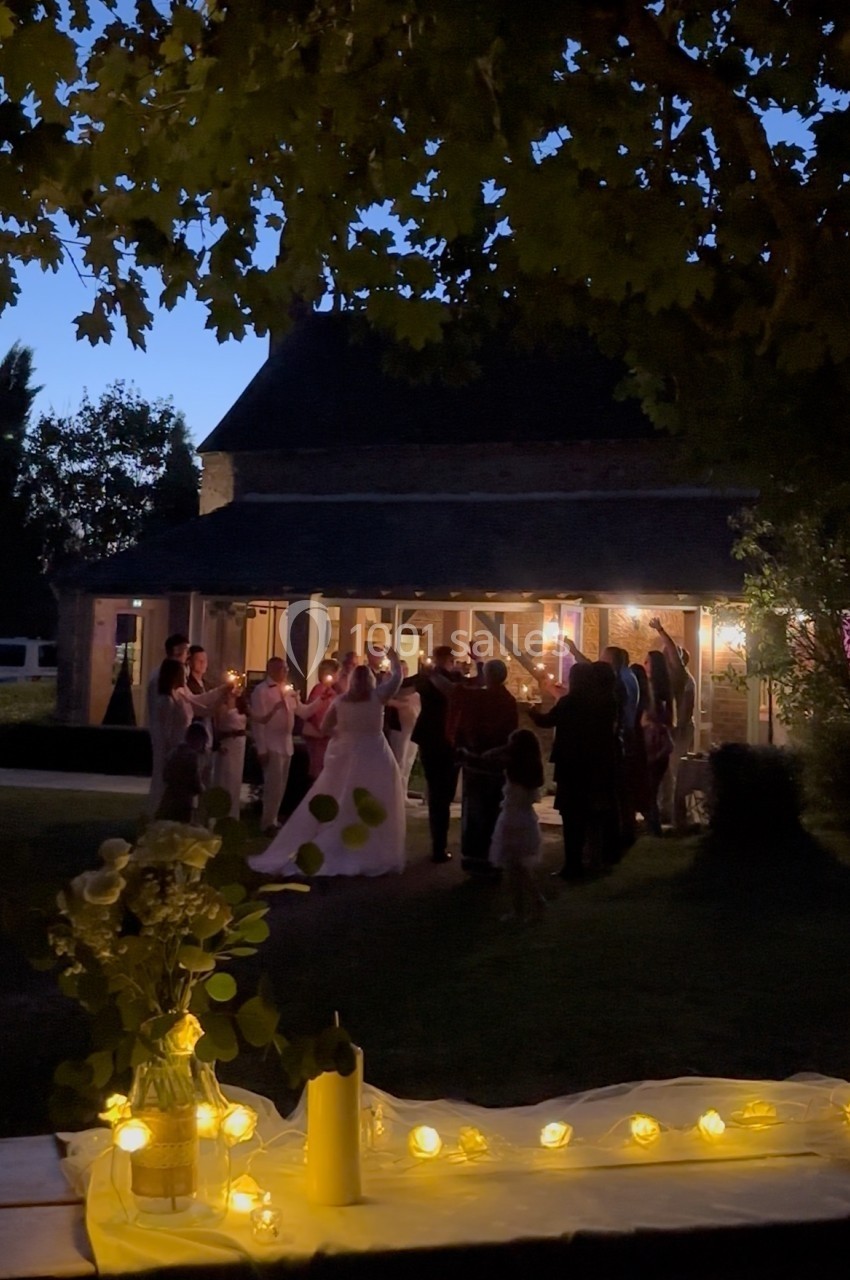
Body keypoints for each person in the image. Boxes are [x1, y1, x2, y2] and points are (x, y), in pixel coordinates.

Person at [249, 648, 406, 877]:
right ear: (371, 680)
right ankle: (373, 849)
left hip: (347, 754)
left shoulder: (341, 701)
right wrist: (392, 658)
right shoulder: (377, 697)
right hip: (375, 754)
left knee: (343, 797)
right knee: (377, 800)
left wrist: (344, 732)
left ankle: (337, 840)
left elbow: (324, 728)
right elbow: (397, 678)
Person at [530, 661, 619, 879]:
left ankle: (573, 863)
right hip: (596, 765)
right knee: (593, 814)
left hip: (572, 766)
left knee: (572, 817)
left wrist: (532, 711)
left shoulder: (570, 703)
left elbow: (547, 721)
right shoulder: (603, 703)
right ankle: (594, 860)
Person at [437, 659, 518, 877]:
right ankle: (493, 859)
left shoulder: (480, 697)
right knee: (493, 811)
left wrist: (434, 674)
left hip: (478, 763)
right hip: (496, 763)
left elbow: (456, 693)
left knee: (477, 812)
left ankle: (479, 860)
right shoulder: (509, 700)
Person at [250, 657, 323, 835]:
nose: (286, 672)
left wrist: (322, 699)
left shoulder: (287, 691)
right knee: (272, 785)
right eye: (283, 669)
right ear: (272, 669)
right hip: (271, 743)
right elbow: (257, 722)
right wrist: (261, 748)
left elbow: (303, 711)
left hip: (286, 744)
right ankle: (266, 822)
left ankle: (273, 819)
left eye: (286, 669)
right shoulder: (261, 691)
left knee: (281, 786)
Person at [149, 658, 228, 814]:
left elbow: (203, 708)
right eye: (182, 674)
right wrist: (173, 753)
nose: (186, 677)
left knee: (187, 792)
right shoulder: (166, 700)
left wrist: (222, 692)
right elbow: (166, 732)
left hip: (186, 750)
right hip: (176, 751)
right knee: (171, 788)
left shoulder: (182, 692)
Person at [410, 646, 465, 863]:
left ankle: (438, 844)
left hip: (431, 738)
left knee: (437, 792)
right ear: (449, 659)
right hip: (445, 739)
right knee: (444, 792)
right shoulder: (447, 679)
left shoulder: (428, 678)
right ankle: (438, 846)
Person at [486, 729, 546, 922]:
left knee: (513, 870)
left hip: (512, 821)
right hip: (526, 821)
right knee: (519, 868)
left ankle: (520, 909)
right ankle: (534, 903)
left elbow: (489, 756)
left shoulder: (514, 766)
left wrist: (507, 747)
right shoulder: (531, 769)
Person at [145, 633, 189, 814]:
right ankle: (156, 811)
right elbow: (163, 714)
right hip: (165, 735)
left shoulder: (169, 676)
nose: (188, 655)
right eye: (185, 650)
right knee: (163, 772)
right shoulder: (164, 677)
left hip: (170, 733)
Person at [642, 648, 675, 836]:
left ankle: (654, 830)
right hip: (660, 745)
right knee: (650, 790)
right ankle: (653, 829)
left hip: (654, 745)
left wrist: (644, 720)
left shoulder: (654, 688)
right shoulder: (664, 687)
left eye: (647, 662)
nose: (645, 665)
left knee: (649, 789)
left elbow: (654, 716)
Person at [157, 722, 209, 823]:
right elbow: (195, 780)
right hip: (183, 801)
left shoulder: (174, 752)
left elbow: (165, 775)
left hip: (169, 797)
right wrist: (202, 790)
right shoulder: (191, 756)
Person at [301, 658, 342, 781]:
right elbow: (317, 713)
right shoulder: (320, 690)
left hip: (325, 735)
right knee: (318, 769)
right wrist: (327, 729)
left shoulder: (332, 691)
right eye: (337, 672)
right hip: (319, 736)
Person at [386, 660, 421, 799]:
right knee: (399, 760)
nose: (404, 672)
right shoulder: (393, 688)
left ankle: (403, 793)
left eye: (406, 669)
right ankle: (396, 795)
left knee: (408, 761)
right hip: (399, 729)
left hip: (412, 729)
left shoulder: (411, 688)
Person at [213, 684, 249, 819]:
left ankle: (233, 814)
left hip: (240, 745)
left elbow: (258, 718)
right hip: (228, 743)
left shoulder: (242, 707)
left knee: (235, 779)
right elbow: (217, 725)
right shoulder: (222, 706)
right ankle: (220, 813)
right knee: (225, 777)